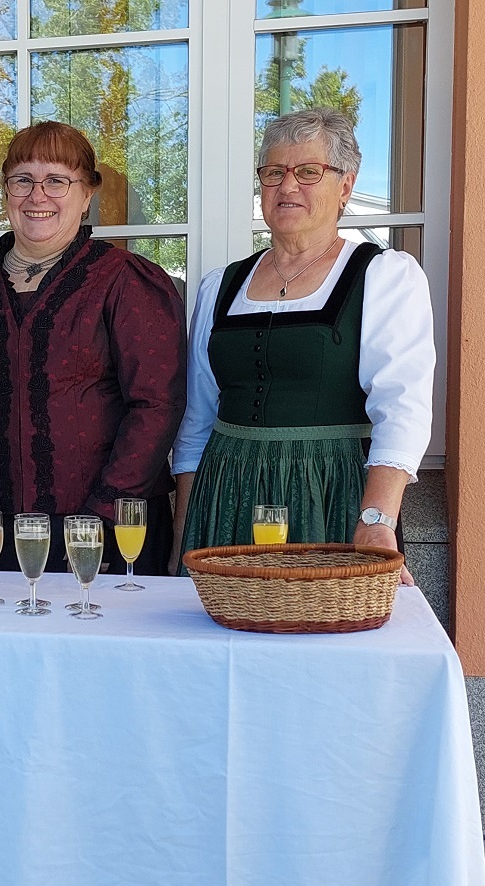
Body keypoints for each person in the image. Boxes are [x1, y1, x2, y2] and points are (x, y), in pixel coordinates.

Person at [0, 121, 186, 574]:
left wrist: (102, 515)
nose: (37, 196)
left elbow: (156, 405)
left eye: (57, 180)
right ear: (6, 192)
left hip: (109, 529)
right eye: (23, 180)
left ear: (87, 194)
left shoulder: (126, 282)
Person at [170, 108, 434, 581]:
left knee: (319, 619)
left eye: (309, 172)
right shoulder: (221, 286)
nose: (287, 186)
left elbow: (402, 408)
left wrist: (377, 520)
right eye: (274, 172)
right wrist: (182, 538)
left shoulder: (382, 276)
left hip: (325, 493)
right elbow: (197, 423)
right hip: (224, 495)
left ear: (345, 186)